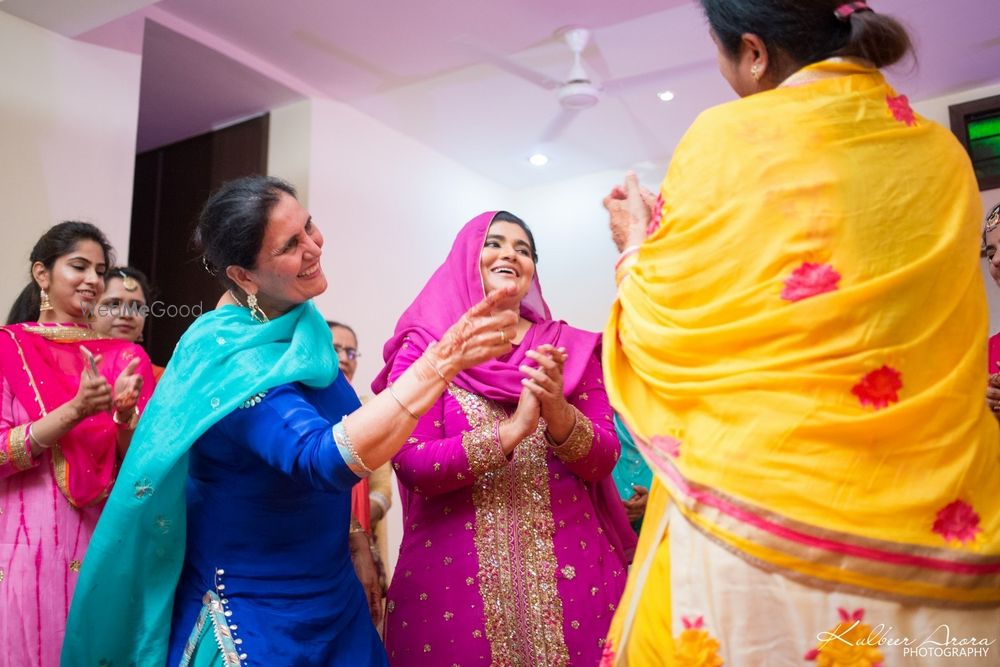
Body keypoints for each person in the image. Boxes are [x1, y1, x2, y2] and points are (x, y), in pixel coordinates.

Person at [600, 2, 1000, 665]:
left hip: (759, 517)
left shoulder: (728, 136)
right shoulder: (941, 151)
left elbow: (663, 330)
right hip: (941, 523)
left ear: (753, 52)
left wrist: (634, 244)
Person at [62, 176, 520, 666]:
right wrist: (440, 362)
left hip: (334, 603)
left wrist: (356, 539)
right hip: (255, 619)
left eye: (309, 227)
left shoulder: (302, 327)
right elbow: (318, 457)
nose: (314, 247)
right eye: (290, 244)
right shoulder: (228, 361)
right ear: (243, 275)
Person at [374, 211, 636, 666]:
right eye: (494, 243)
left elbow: (603, 458)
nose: (510, 254)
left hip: (577, 580)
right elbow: (413, 464)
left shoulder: (568, 348)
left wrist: (557, 411)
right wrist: (511, 433)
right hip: (450, 590)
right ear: (464, 258)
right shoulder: (427, 349)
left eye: (524, 249)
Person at [1, 222, 153, 667]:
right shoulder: (9, 347)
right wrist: (76, 409)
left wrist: (125, 417)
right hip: (23, 537)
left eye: (99, 270)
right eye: (78, 266)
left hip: (103, 534)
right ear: (42, 274)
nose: (92, 279)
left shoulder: (126, 357)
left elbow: (144, 467)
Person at [328, 318, 393, 628]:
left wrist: (356, 523)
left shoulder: (369, 411)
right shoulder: (297, 407)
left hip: (363, 551)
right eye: (336, 348)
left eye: (351, 352)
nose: (344, 358)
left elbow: (382, 491)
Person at [91, 266, 165, 380]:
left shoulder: (162, 379)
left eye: (137, 307)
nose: (127, 314)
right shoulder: (66, 367)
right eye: (114, 304)